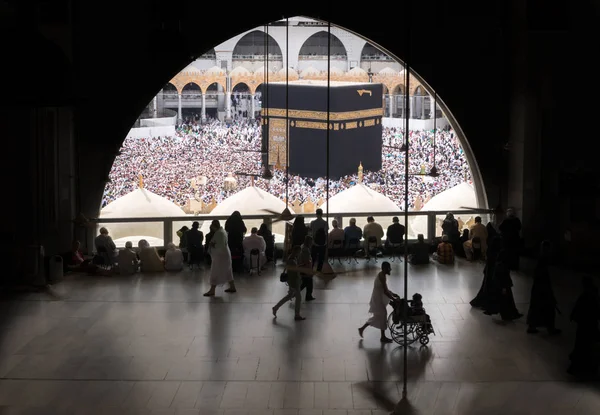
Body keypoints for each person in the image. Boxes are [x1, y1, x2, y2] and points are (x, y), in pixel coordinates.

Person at [526, 240, 561, 334]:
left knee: (537, 308)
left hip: (538, 289)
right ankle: (550, 327)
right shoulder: (543, 260)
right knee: (548, 309)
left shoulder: (540, 259)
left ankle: (533, 326)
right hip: (543, 289)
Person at [358, 261, 398, 343]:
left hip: (378, 297)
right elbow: (385, 291)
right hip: (378, 299)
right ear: (384, 269)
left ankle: (363, 329)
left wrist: (393, 294)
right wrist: (394, 299)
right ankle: (382, 337)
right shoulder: (382, 277)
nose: (389, 270)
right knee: (382, 315)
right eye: (388, 268)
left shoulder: (382, 275)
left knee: (380, 316)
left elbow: (385, 289)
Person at [567, 276, 600, 377]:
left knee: (583, 346)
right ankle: (588, 369)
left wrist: (573, 316)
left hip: (585, 325)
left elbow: (579, 307)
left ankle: (581, 369)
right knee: (587, 347)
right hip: (590, 325)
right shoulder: (591, 295)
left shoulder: (586, 295)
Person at [484, 250, 523, 321]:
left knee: (502, 301)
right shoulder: (502, 266)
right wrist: (504, 287)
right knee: (506, 301)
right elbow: (504, 278)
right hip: (503, 286)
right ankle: (509, 315)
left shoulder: (498, 264)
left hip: (499, 286)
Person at [272, 245, 305, 321]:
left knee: (289, 296)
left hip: (292, 281)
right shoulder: (292, 260)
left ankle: (276, 307)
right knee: (298, 298)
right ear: (297, 251)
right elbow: (295, 271)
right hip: (294, 281)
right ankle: (297, 315)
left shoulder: (291, 258)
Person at [204, 220, 236, 296]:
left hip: (220, 255)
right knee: (228, 270)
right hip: (225, 254)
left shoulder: (219, 233)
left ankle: (212, 290)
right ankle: (232, 286)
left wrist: (212, 245)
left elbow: (219, 245)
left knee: (215, 271)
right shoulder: (222, 231)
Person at [470, 236, 503, 309]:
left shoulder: (491, 252)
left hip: (489, 273)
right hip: (493, 274)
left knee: (486, 287)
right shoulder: (498, 254)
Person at [299, 235, 316, 301]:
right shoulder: (306, 250)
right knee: (307, 283)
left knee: (305, 283)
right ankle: (307, 296)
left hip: (302, 268)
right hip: (305, 269)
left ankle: (308, 296)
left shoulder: (302, 246)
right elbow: (307, 261)